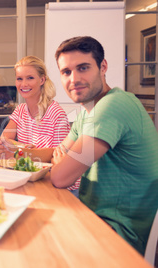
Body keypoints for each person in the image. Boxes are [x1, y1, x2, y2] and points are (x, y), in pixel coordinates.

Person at [51, 36, 158, 255]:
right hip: (95, 217)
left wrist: (64, 161)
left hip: (119, 233)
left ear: (103, 66)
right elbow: (59, 151)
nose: (74, 79)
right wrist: (62, 159)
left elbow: (60, 177)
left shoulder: (112, 107)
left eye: (83, 68)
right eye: (66, 72)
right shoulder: (88, 110)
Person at [0, 56, 79, 193]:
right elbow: (3, 141)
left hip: (60, 186)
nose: (23, 84)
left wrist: (18, 151)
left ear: (42, 80)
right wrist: (23, 146)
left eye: (30, 78)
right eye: (19, 78)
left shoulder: (56, 114)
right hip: (33, 180)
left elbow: (57, 157)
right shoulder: (20, 110)